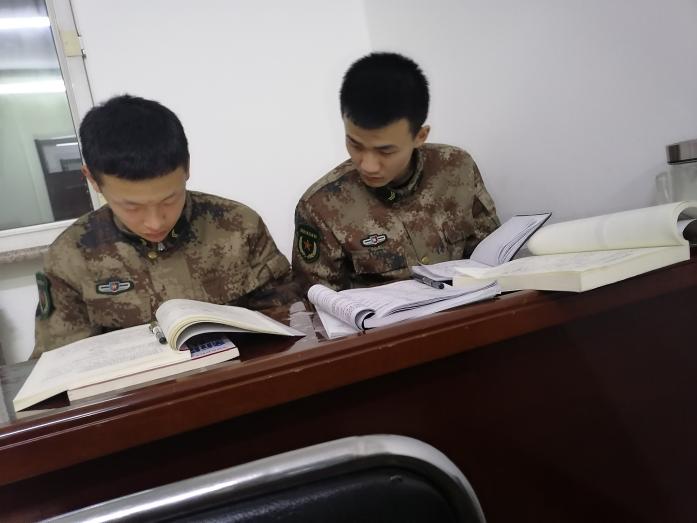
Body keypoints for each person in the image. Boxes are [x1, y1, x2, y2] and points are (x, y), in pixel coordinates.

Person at [33, 94, 295, 356]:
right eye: (132, 207)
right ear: (92, 180)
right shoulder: (70, 257)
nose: (155, 222)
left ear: (187, 166)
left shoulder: (239, 227)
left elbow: (288, 317)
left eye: (170, 199)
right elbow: (60, 359)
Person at [292, 52, 500, 293]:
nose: (368, 165)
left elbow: (493, 259)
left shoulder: (456, 169)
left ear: (420, 136)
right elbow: (317, 302)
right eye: (355, 144)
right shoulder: (321, 207)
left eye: (385, 151)